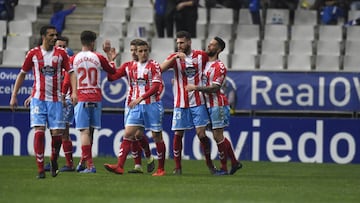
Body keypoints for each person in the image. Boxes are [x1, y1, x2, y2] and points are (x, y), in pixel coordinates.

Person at [9, 24, 77, 179]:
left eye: (56, 35)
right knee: (39, 131)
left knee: (57, 135)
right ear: (43, 36)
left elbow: (72, 73)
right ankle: (40, 169)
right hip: (38, 99)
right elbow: (22, 74)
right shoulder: (33, 54)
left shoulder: (61, 54)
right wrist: (14, 95)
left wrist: (74, 92)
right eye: (51, 35)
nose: (55, 38)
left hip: (56, 101)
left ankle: (53, 159)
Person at [103, 40, 167, 176]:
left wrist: (140, 98)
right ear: (136, 53)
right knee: (128, 134)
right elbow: (111, 78)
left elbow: (156, 86)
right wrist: (111, 60)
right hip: (136, 106)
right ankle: (119, 166)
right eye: (140, 51)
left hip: (152, 105)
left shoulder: (153, 65)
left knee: (156, 136)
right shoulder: (128, 66)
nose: (143, 53)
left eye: (145, 50)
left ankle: (161, 169)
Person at [160, 30, 216, 175]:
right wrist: (175, 58)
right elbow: (160, 69)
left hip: (198, 101)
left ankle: (210, 164)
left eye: (182, 42)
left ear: (189, 42)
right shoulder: (175, 57)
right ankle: (177, 167)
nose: (179, 45)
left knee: (201, 134)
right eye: (177, 43)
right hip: (180, 103)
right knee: (178, 133)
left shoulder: (201, 56)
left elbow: (212, 66)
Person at [186, 37, 243, 175]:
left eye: (212, 45)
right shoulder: (204, 64)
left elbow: (214, 88)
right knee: (216, 136)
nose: (209, 46)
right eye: (209, 44)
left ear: (219, 49)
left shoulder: (220, 67)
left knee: (218, 137)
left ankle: (224, 167)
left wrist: (195, 88)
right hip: (205, 104)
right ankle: (234, 162)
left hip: (217, 104)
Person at [24, 37, 76, 172]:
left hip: (64, 99)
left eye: (64, 46)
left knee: (62, 131)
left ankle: (66, 163)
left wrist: (65, 96)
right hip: (53, 99)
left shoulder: (66, 58)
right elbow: (43, 82)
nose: (62, 48)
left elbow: (67, 80)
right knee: (58, 132)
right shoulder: (53, 59)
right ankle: (56, 161)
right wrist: (32, 95)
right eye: (60, 45)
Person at [72, 30, 116, 173]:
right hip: (96, 97)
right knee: (90, 132)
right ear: (93, 42)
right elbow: (112, 70)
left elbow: (68, 76)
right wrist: (110, 57)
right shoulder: (98, 57)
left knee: (84, 132)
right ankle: (83, 162)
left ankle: (90, 166)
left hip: (82, 97)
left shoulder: (74, 58)